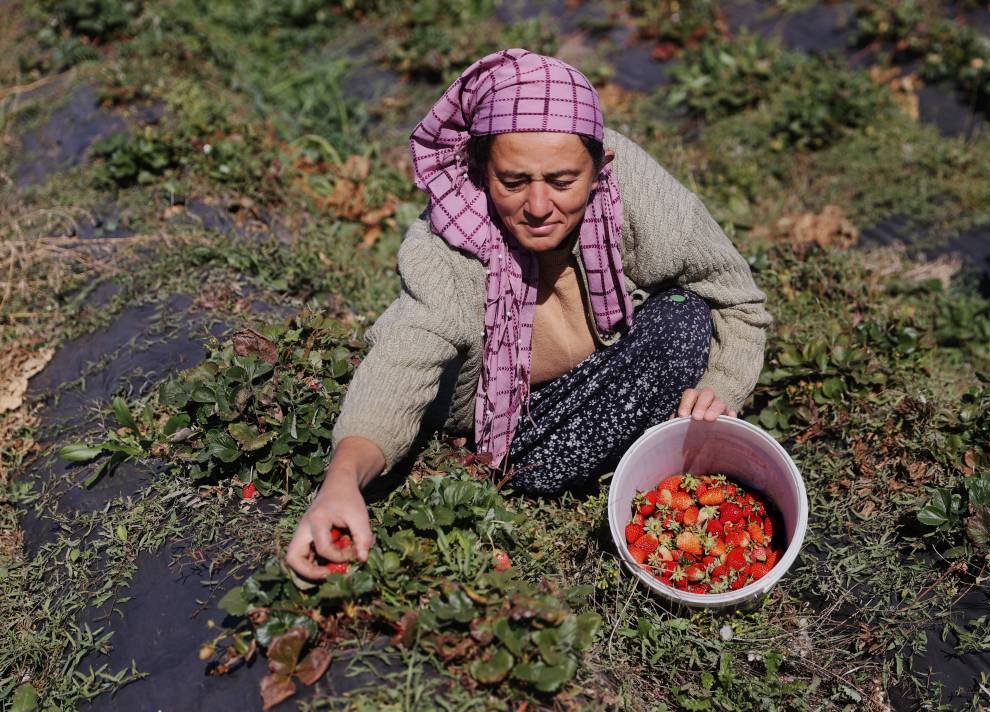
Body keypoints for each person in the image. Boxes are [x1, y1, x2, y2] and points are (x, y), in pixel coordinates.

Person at [285, 49, 772, 580]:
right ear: (480, 170)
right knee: (539, 460)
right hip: (525, 426)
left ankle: (647, 458)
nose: (538, 206)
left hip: (612, 365)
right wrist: (341, 482)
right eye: (513, 182)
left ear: (599, 169)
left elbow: (737, 299)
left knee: (683, 321)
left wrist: (722, 384)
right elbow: (402, 360)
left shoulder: (638, 195)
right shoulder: (449, 243)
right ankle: (577, 467)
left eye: (562, 182)